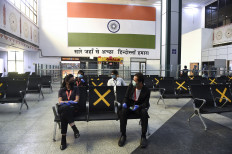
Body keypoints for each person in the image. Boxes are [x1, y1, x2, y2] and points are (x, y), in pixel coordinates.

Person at [118, 73, 150, 148]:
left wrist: (139, 106)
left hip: (138, 107)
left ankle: (143, 136)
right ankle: (123, 135)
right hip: (129, 106)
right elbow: (126, 97)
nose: (133, 82)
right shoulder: (131, 86)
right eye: (133, 80)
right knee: (123, 112)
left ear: (140, 82)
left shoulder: (146, 90)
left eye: (135, 81)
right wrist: (124, 103)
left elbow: (146, 104)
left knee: (144, 112)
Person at [58, 74, 80, 150]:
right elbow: (60, 101)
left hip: (73, 108)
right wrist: (67, 102)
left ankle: (63, 139)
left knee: (64, 115)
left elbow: (77, 100)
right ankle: (74, 128)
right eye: (71, 80)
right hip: (64, 107)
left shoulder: (76, 88)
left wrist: (68, 102)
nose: (73, 81)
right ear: (66, 81)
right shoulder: (61, 90)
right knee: (65, 108)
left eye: (73, 80)